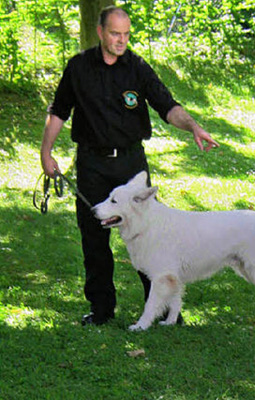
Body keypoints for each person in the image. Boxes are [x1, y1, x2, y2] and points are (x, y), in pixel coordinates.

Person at [40, 6, 219, 326]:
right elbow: (59, 113)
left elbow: (167, 105)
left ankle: (162, 308)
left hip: (130, 163)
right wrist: (46, 153)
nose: (121, 41)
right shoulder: (78, 68)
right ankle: (101, 309)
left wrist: (192, 126)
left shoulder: (137, 67)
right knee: (94, 237)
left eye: (126, 34)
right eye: (114, 34)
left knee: (149, 236)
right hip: (92, 163)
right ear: (100, 33)